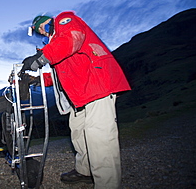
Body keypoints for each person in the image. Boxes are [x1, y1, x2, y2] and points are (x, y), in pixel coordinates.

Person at [21, 11, 131, 189]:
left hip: (96, 84)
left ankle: (107, 184)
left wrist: (41, 58)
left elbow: (74, 39)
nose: (42, 32)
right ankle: (85, 171)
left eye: (40, 28)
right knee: (78, 132)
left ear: (47, 22)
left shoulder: (64, 22)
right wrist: (37, 80)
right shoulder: (55, 42)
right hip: (80, 94)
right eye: (38, 31)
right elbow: (62, 74)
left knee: (98, 136)